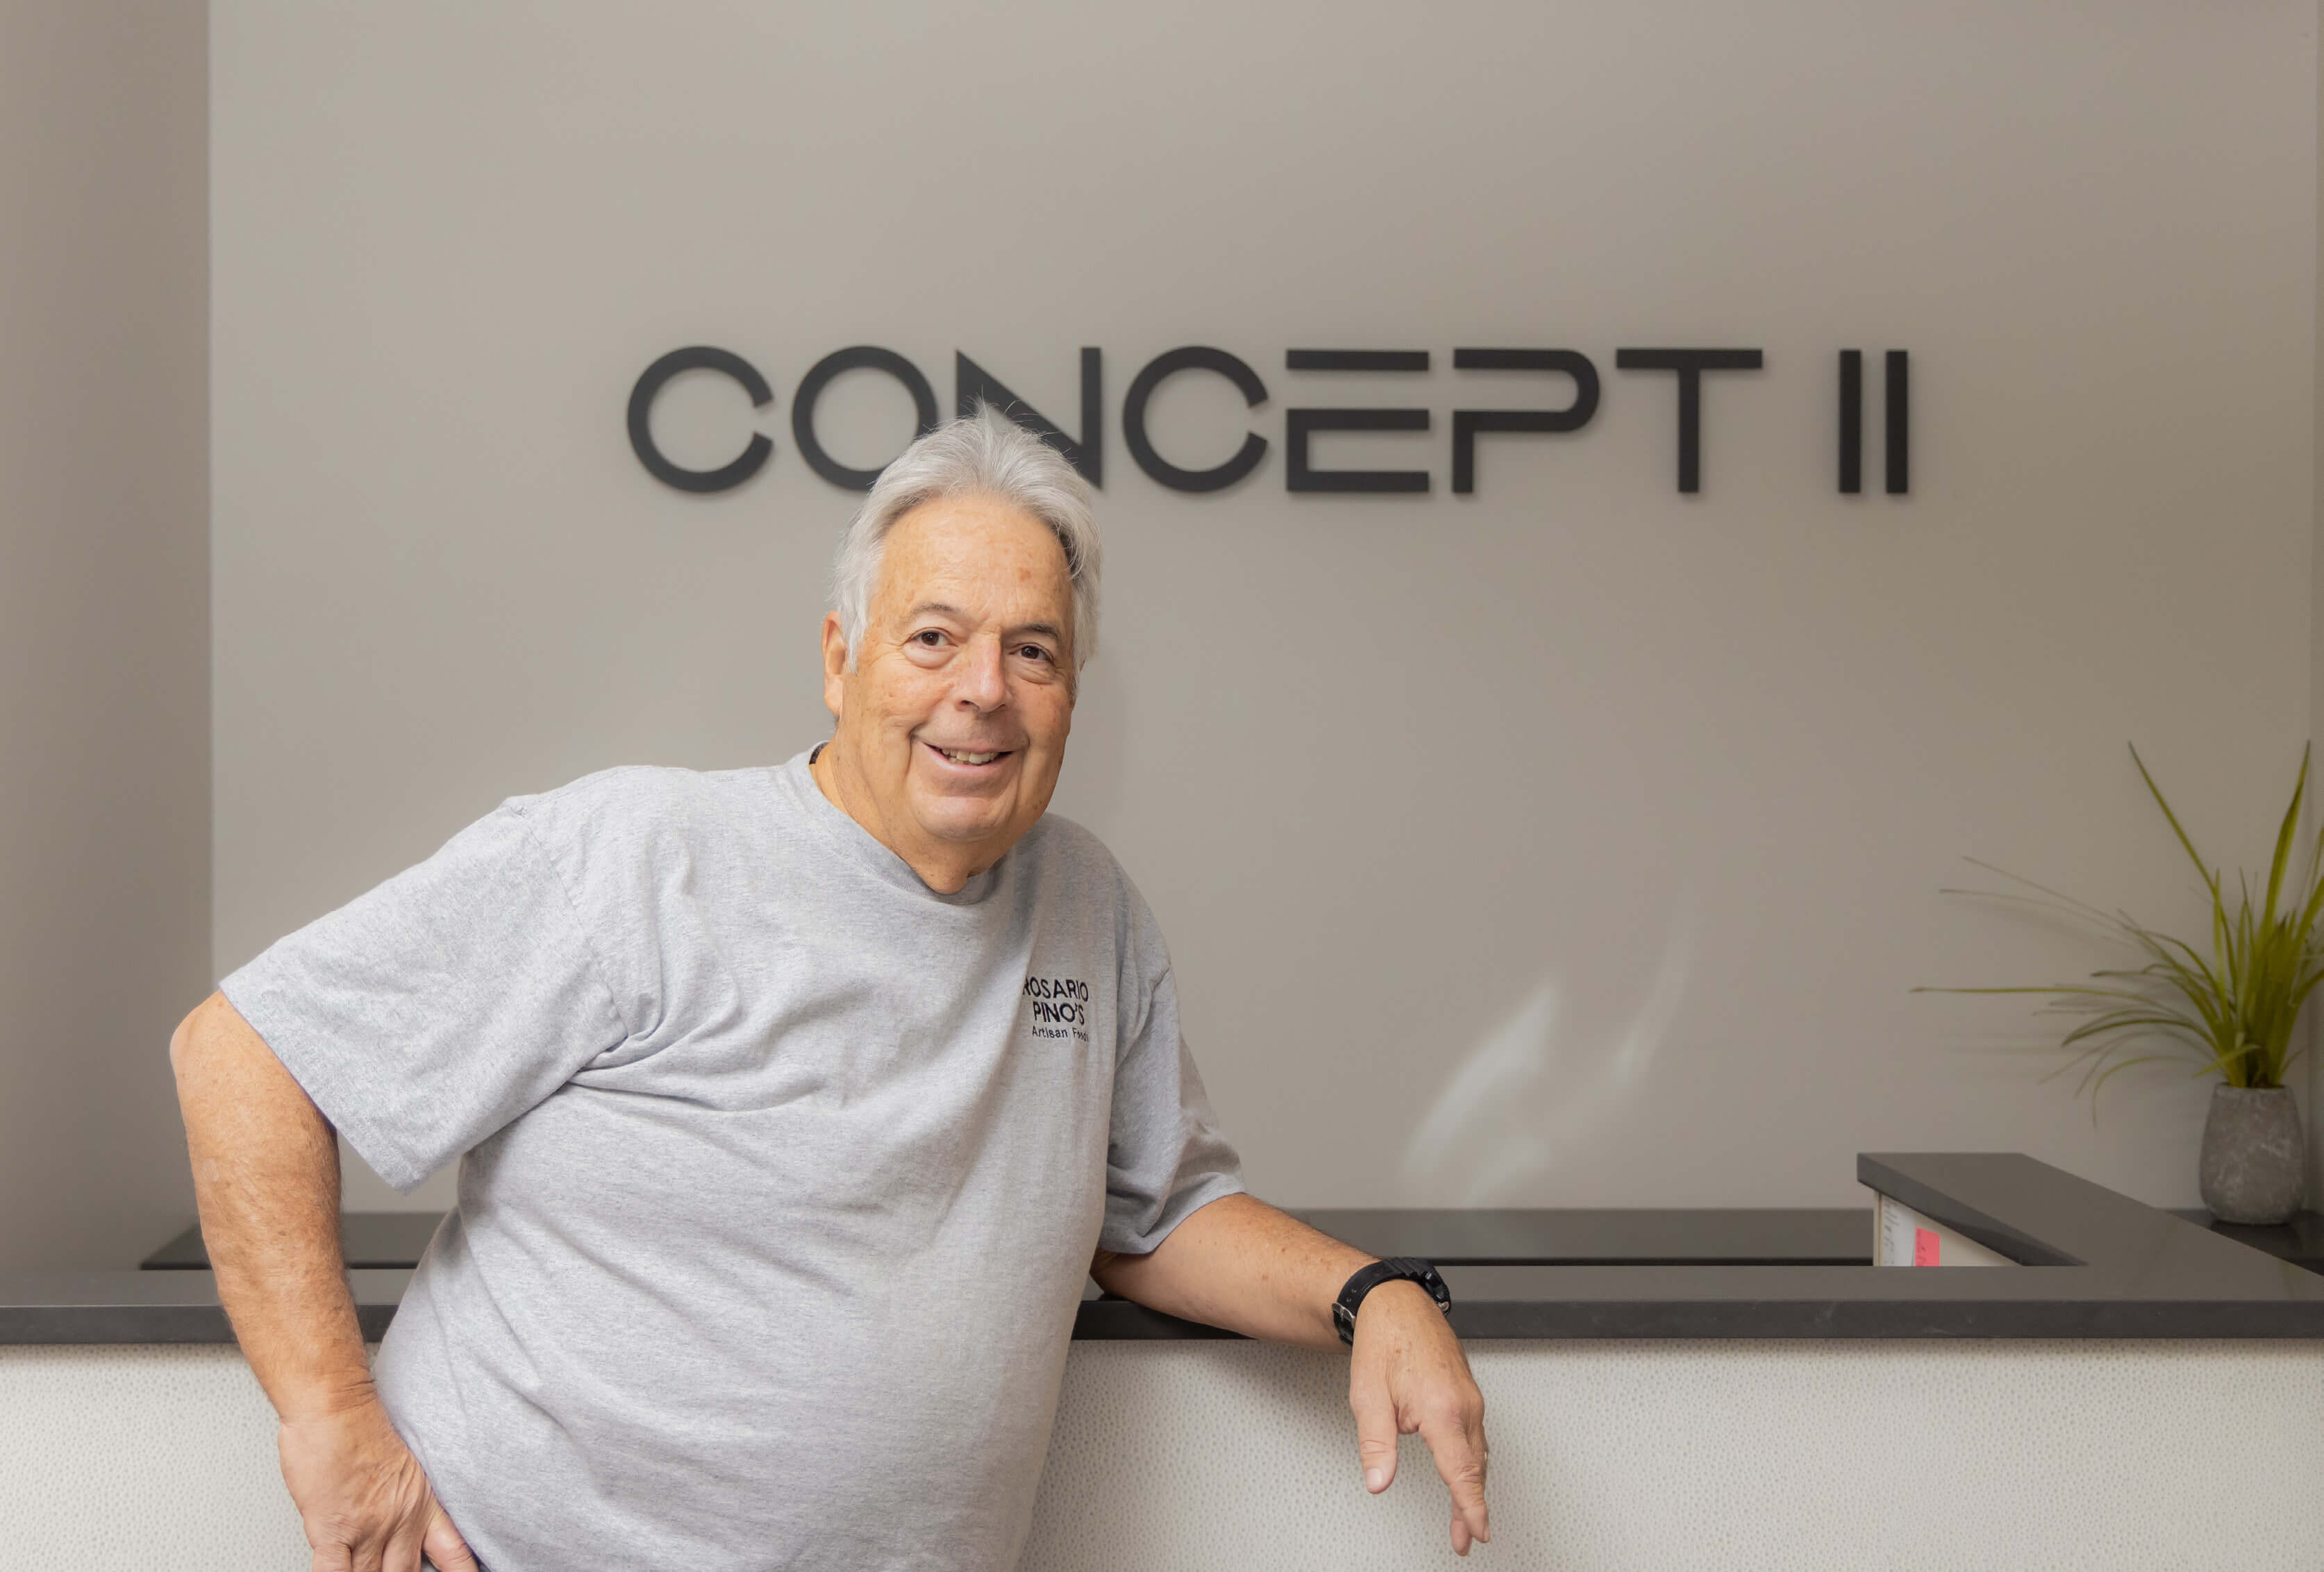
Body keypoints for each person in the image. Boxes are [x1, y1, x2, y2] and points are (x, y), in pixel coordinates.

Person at [171, 406, 1490, 1571]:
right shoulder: (634, 857)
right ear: (839, 658)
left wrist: (1377, 1295)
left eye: (1034, 651)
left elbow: (1152, 1216)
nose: (984, 692)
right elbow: (244, 1052)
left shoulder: (1089, 908)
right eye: (935, 637)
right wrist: (334, 1421)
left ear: (1074, 692)